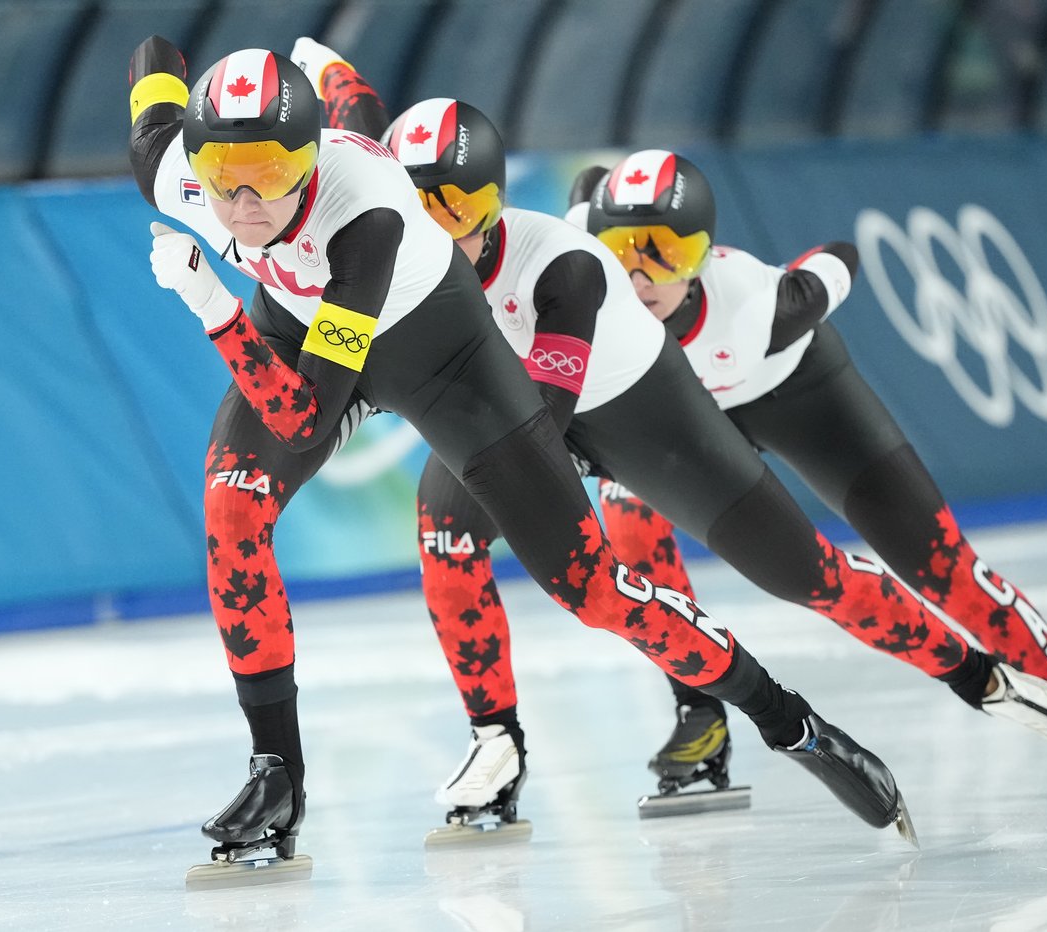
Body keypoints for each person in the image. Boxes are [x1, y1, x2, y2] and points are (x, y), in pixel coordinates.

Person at [288, 41, 1047, 832]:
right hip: (518, 410)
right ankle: (507, 738)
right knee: (446, 535)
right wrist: (329, 73)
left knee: (808, 576)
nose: (440, 228)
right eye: (421, 206)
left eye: (462, 206)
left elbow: (544, 433)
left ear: (498, 203)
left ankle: (982, 676)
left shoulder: (574, 267)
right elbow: (352, 116)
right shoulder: (377, 239)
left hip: (636, 408)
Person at [126, 36, 917, 880]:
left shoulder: (367, 218)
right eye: (221, 170)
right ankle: (275, 772)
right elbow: (152, 78)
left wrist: (211, 303)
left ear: (311, 160)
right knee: (232, 509)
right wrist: (307, 74)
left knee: (595, 590)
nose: (243, 199)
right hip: (301, 326)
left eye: (272, 171)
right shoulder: (178, 172)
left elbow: (302, 415)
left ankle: (784, 716)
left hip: (443, 362)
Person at [566, 151, 1047, 796]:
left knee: (942, 567)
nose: (638, 275)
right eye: (621, 249)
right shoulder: (579, 259)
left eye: (666, 253)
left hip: (794, 394)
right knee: (631, 536)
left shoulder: (759, 307)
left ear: (705, 256)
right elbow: (585, 190)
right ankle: (699, 709)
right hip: (680, 413)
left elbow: (838, 258)